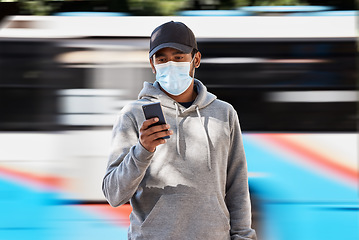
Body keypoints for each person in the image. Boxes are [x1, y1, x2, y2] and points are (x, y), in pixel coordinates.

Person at [102, 21, 257, 240]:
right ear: (153, 64)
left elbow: (237, 187)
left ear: (196, 59)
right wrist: (142, 151)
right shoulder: (133, 115)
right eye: (162, 59)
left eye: (178, 57)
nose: (170, 65)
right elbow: (113, 194)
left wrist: (243, 237)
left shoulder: (224, 114)